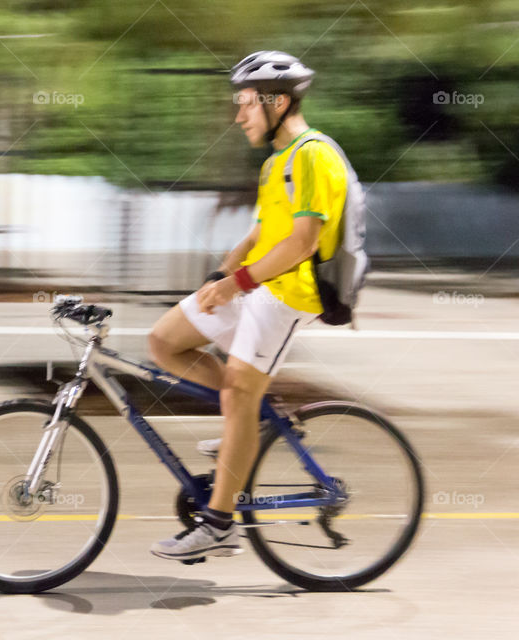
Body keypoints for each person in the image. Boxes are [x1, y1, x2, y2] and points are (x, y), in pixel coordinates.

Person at [148, 51, 349, 561]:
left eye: (245, 105)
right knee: (164, 341)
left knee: (237, 389)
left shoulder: (314, 155)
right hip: (257, 284)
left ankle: (219, 525)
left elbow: (302, 242)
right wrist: (228, 267)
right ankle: (253, 421)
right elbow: (266, 229)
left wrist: (237, 282)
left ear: (277, 102)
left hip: (289, 294)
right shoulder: (275, 162)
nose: (239, 116)